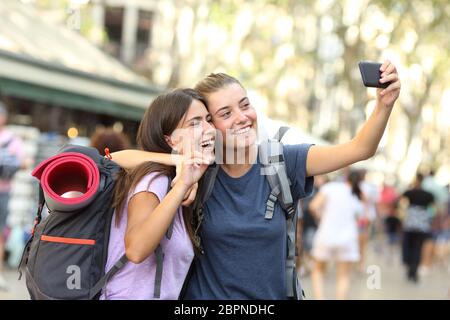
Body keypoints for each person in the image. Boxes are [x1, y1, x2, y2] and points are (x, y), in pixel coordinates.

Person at [113, 60, 401, 299]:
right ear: (210, 126)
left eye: (245, 104)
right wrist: (178, 162)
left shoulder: (284, 162)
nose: (242, 117)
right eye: (225, 113)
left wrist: (383, 105)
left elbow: (359, 148)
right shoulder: (200, 172)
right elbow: (116, 159)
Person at [100, 89, 215, 299]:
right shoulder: (154, 180)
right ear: (171, 140)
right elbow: (135, 249)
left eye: (209, 120)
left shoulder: (178, 185)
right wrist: (180, 171)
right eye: (195, 122)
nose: (210, 129)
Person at [309, 170, 365, 300]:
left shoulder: (330, 187)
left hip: (326, 235)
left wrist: (320, 218)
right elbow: (361, 221)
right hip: (348, 239)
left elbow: (313, 206)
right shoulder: (357, 195)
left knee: (317, 271)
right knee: (343, 276)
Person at [0, 102, 26, 291]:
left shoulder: (12, 140)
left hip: (3, 191)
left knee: (0, 232)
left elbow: (25, 163)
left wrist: (8, 162)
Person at [400, 173, 435, 283]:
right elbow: (433, 207)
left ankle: (410, 268)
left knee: (409, 246)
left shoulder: (410, 193)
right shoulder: (429, 195)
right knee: (418, 247)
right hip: (422, 223)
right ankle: (414, 270)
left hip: (410, 222)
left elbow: (401, 197)